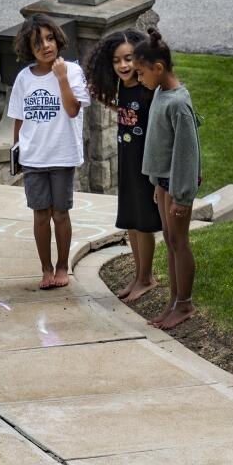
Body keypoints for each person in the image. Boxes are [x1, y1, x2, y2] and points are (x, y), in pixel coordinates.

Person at [7, 14, 90, 289]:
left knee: (60, 214)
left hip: (62, 155)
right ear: (29, 49)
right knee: (40, 214)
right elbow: (19, 117)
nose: (46, 46)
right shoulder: (23, 78)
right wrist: (15, 153)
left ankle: (62, 266)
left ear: (57, 38)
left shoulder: (73, 71)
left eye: (49, 38)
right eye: (38, 43)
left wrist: (62, 77)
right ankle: (45, 269)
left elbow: (72, 109)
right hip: (33, 157)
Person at [85, 29, 162, 303]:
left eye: (128, 58)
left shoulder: (148, 88)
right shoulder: (120, 87)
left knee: (143, 224)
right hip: (127, 161)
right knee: (131, 219)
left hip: (146, 166)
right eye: (117, 61)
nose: (123, 66)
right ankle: (139, 275)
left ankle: (146, 278)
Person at [134, 29, 201, 329]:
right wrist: (156, 184)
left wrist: (182, 197)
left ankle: (184, 303)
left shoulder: (178, 104)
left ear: (158, 68)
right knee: (170, 241)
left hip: (176, 187)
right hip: (162, 185)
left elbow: (187, 155)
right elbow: (159, 144)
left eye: (141, 72)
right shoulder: (161, 93)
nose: (139, 78)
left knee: (179, 242)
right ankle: (173, 301)